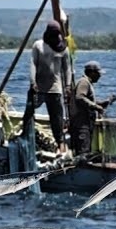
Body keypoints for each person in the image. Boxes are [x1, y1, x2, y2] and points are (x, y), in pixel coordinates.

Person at [25, 19, 71, 154]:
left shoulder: (63, 48)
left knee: (57, 119)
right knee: (29, 113)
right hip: (38, 88)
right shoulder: (38, 45)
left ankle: (60, 144)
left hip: (55, 89)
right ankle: (25, 136)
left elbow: (66, 69)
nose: (55, 36)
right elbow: (33, 63)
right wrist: (33, 82)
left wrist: (67, 86)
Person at [69, 60, 110, 155]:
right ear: (91, 72)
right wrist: (96, 107)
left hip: (85, 123)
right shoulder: (84, 82)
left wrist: (100, 104)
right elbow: (80, 97)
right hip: (81, 124)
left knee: (85, 150)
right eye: (98, 73)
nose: (100, 76)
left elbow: (85, 100)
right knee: (83, 152)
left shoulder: (87, 83)